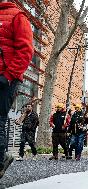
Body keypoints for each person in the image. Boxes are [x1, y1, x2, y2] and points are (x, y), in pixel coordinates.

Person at [0, 0, 33, 178]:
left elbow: (26, 50)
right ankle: (2, 159)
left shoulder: (17, 16)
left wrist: (8, 75)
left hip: (6, 79)